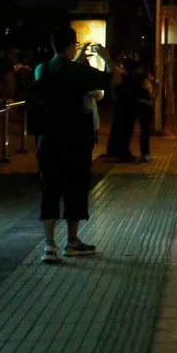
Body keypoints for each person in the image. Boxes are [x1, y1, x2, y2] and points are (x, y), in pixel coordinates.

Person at [30, 27, 115, 264]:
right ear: (71, 46)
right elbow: (112, 78)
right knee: (75, 188)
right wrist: (106, 57)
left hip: (48, 140)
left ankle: (49, 245)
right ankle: (72, 241)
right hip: (75, 139)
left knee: (49, 189)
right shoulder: (79, 72)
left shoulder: (41, 69)